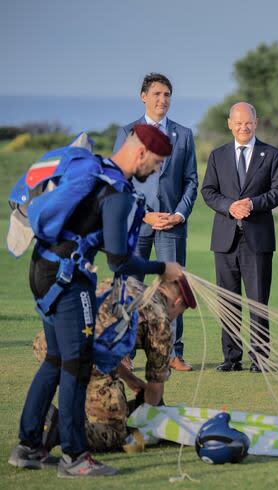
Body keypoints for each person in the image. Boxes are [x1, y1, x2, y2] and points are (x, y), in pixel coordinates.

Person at [10, 124, 184, 477]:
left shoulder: (94, 170)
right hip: (70, 280)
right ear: (140, 153)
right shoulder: (117, 192)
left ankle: (28, 446)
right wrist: (161, 266)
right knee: (76, 364)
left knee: (56, 360)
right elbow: (120, 262)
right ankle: (75, 457)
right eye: (155, 164)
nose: (154, 171)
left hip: (43, 268)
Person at [31, 275, 197, 451]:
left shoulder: (127, 282)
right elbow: (155, 390)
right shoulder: (161, 319)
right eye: (180, 312)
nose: (175, 318)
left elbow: (104, 339)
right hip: (86, 359)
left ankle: (71, 414)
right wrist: (152, 421)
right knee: (114, 434)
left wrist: (131, 379)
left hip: (49, 344)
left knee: (112, 403)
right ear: (177, 301)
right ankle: (57, 429)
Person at [113, 73, 198, 372]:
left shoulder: (184, 134)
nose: (163, 100)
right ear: (144, 96)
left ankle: (173, 352)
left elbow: (191, 181)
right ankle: (124, 351)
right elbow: (119, 182)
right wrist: (143, 215)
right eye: (157, 94)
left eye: (167, 95)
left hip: (172, 225)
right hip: (138, 224)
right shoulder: (127, 132)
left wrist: (178, 214)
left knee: (173, 287)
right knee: (130, 287)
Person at [201, 102, 278, 373]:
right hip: (225, 239)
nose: (243, 127)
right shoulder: (217, 155)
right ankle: (231, 357)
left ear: (256, 122)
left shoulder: (271, 155)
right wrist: (230, 206)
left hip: (258, 239)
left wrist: (252, 204)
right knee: (228, 301)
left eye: (248, 122)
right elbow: (209, 191)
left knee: (258, 301)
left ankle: (260, 358)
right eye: (238, 123)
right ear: (229, 124)